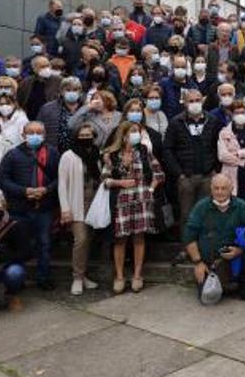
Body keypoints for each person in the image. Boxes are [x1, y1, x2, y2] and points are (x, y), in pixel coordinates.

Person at [0, 122, 59, 291]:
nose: (35, 135)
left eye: (39, 132)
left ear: (44, 135)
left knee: (44, 243)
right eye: (31, 132)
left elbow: (60, 178)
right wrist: (24, 191)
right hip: (19, 208)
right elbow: (2, 179)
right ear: (23, 135)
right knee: (19, 244)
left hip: (44, 207)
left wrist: (46, 189)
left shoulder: (52, 153)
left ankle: (43, 277)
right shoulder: (13, 154)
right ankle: (17, 278)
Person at [102, 122, 163, 294]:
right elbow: (104, 179)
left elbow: (158, 173)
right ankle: (120, 276)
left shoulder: (144, 151)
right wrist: (119, 181)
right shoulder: (112, 155)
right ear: (124, 135)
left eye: (139, 131)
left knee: (139, 238)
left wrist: (150, 190)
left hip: (142, 200)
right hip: (122, 200)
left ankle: (137, 275)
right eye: (134, 131)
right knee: (120, 240)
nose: (137, 134)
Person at [184, 175, 245, 303]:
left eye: (224, 188)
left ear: (231, 188)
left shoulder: (242, 206)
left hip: (236, 257)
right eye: (216, 188)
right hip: (208, 260)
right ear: (211, 189)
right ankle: (223, 282)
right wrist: (198, 263)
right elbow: (189, 235)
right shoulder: (201, 207)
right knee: (207, 297)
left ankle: (242, 284)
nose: (219, 192)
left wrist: (239, 250)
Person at [162, 89, 222, 227]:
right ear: (185, 103)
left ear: (202, 101)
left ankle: (205, 247)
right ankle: (187, 248)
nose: (195, 103)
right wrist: (179, 174)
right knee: (187, 216)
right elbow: (168, 149)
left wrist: (215, 170)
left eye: (197, 100)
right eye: (191, 101)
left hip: (208, 176)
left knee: (207, 214)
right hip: (186, 178)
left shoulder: (212, 120)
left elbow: (218, 145)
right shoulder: (176, 122)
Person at [57, 123, 103, 295]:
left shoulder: (98, 154)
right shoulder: (68, 156)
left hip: (94, 201)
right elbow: (62, 184)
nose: (85, 138)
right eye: (81, 135)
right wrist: (65, 208)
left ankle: (83, 276)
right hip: (76, 203)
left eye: (88, 135)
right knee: (81, 240)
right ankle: (77, 277)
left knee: (88, 241)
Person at [18, 56, 61, 120]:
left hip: (51, 118)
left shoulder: (58, 81)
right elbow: (20, 100)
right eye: (42, 67)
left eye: (47, 66)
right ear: (34, 69)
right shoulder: (26, 82)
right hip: (31, 118)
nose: (46, 69)